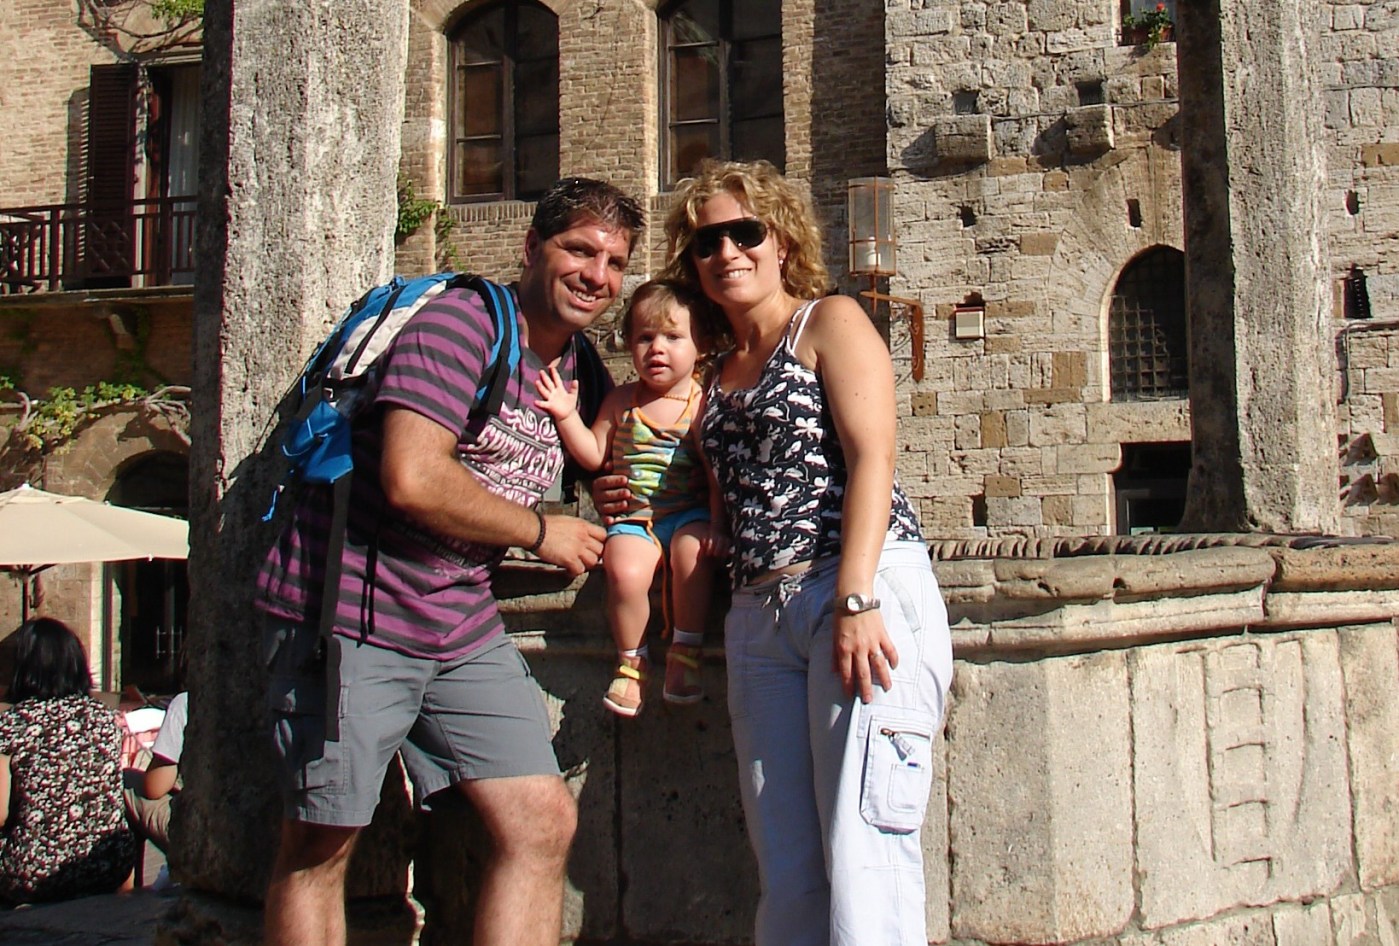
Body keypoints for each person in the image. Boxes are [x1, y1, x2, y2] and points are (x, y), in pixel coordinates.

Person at [255, 177, 645, 946]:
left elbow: (615, 470)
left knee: (540, 822)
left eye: (614, 262)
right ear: (531, 248)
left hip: (457, 619)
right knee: (320, 846)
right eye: (579, 250)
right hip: (351, 609)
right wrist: (539, 531)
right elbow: (412, 475)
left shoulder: (579, 370)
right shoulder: (462, 325)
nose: (596, 275)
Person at [661, 159, 954, 946]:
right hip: (757, 613)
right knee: (785, 868)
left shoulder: (829, 321)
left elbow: (873, 458)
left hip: (848, 589)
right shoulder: (715, 371)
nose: (726, 252)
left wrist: (856, 596)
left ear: (782, 241)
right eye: (705, 242)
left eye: (744, 232)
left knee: (866, 855)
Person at [537, 279, 726, 716]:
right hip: (636, 520)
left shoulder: (701, 405)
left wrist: (718, 526)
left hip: (691, 514)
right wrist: (566, 416)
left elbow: (715, 474)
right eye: (645, 338)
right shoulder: (621, 402)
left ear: (700, 346)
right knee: (623, 569)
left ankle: (685, 653)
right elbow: (593, 453)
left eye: (672, 337)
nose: (657, 348)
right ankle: (631, 663)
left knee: (693, 557)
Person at [0, 618, 136, 904]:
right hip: (109, 863)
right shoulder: (104, 717)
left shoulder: (15, 723)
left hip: (36, 873)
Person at [124, 690, 188, 858]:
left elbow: (154, 788)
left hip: (204, 831)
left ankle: (127, 873)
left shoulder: (187, 702)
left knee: (127, 780)